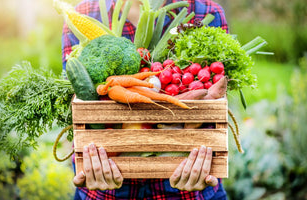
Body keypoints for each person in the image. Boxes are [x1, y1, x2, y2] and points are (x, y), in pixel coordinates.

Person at [62, 0, 229, 199]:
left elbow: (215, 108)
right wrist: (88, 159)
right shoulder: (82, 13)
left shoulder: (206, 12)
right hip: (105, 193)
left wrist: (202, 156)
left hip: (187, 192)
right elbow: (79, 102)